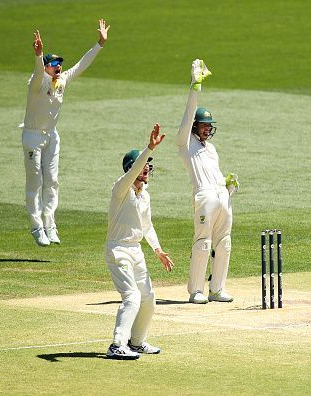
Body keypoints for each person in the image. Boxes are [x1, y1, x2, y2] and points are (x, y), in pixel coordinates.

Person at [21, 19, 110, 246]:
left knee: (52, 180)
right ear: (46, 67)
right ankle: (36, 226)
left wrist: (100, 43)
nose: (58, 67)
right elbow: (38, 73)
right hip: (32, 136)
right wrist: (39, 56)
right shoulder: (37, 83)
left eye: (59, 63)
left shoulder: (62, 81)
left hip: (52, 136)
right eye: (54, 64)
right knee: (35, 182)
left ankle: (50, 224)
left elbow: (81, 65)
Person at [105, 123, 174, 360]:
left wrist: (158, 249)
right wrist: (149, 148)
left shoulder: (145, 194)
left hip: (135, 250)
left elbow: (147, 225)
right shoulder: (120, 189)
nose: (147, 170)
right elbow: (133, 171)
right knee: (132, 297)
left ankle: (136, 342)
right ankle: (116, 345)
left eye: (148, 167)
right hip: (118, 249)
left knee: (148, 297)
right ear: (131, 169)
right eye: (143, 166)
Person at [175, 59, 239, 304]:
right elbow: (188, 114)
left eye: (208, 126)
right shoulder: (185, 144)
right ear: (194, 127)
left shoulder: (211, 149)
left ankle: (217, 289)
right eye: (203, 125)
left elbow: (215, 175)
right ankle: (196, 290)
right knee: (203, 243)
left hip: (222, 198)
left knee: (224, 243)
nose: (206, 129)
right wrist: (195, 86)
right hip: (203, 197)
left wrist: (228, 185)